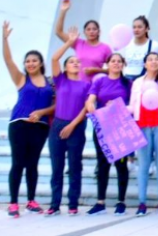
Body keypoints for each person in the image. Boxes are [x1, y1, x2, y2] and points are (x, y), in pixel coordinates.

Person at [3, 22, 53, 218]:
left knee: (33, 163)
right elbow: (7, 60)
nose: (30, 64)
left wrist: (42, 112)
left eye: (34, 60)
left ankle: (31, 201)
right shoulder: (21, 79)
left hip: (40, 127)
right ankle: (14, 203)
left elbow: (55, 106)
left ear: (40, 62)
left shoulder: (50, 82)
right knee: (18, 163)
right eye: (27, 61)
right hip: (19, 125)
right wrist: (5, 38)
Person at [46, 28, 90, 216]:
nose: (75, 63)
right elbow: (54, 59)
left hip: (76, 126)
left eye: (77, 62)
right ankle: (54, 204)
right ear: (66, 67)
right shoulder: (61, 80)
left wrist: (72, 125)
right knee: (57, 167)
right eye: (71, 61)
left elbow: (86, 108)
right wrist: (69, 42)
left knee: (74, 165)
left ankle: (73, 204)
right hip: (57, 125)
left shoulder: (86, 84)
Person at [85, 54, 131, 216]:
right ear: (108, 64)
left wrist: (119, 106)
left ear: (123, 64)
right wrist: (93, 108)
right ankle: (100, 202)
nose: (116, 64)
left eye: (119, 61)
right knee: (103, 164)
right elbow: (90, 101)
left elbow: (133, 105)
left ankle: (121, 202)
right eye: (113, 61)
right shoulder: (99, 81)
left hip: (120, 129)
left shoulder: (128, 83)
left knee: (121, 165)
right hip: (102, 128)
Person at [128, 53, 158, 216]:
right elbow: (133, 106)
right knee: (143, 165)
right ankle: (142, 202)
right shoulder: (138, 82)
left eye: (156, 59)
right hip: (142, 125)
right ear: (145, 64)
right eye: (150, 60)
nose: (154, 62)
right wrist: (116, 108)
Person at [54, 0, 111, 82]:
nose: (91, 31)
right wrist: (63, 11)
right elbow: (58, 32)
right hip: (77, 84)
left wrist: (96, 70)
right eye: (88, 29)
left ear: (99, 32)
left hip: (94, 87)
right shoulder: (78, 43)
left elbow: (113, 69)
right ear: (84, 32)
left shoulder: (105, 48)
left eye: (94, 29)